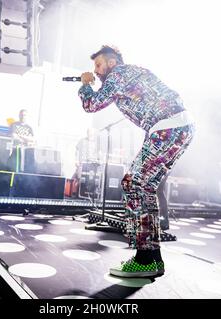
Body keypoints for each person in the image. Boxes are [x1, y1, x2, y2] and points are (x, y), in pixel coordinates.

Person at [78, 45, 195, 277]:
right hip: (176, 127)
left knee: (134, 184)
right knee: (144, 187)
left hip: (168, 127)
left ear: (111, 63)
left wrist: (85, 85)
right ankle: (153, 260)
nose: (96, 70)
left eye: (98, 65)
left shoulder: (118, 74)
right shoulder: (131, 73)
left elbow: (92, 105)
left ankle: (144, 261)